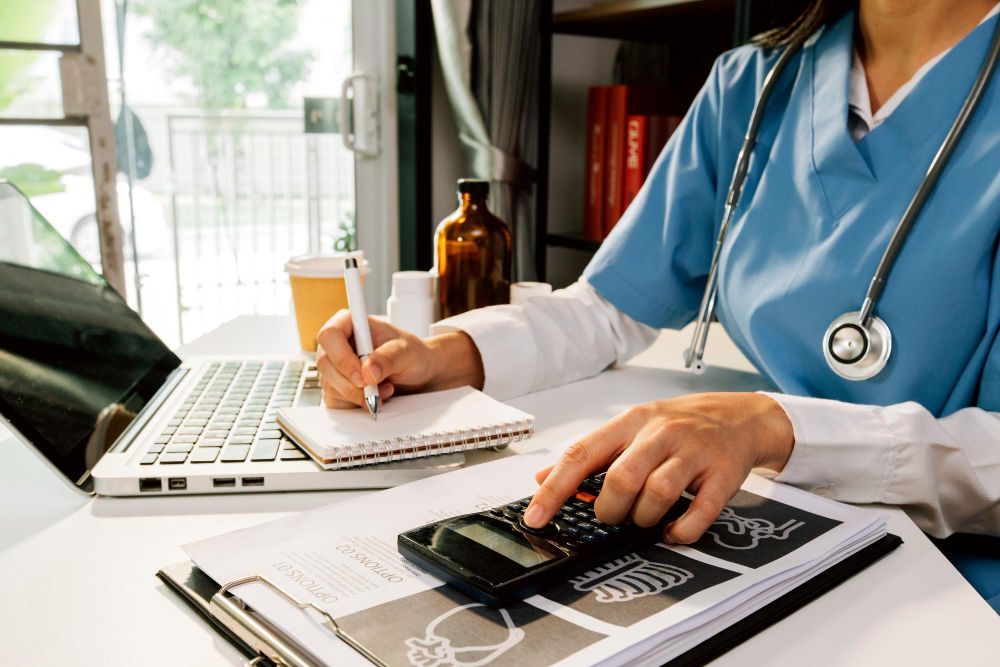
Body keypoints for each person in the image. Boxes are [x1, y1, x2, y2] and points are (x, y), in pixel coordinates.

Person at [317, 0, 1000, 611]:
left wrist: (774, 426)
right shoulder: (754, 82)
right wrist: (445, 353)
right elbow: (609, 307)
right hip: (752, 515)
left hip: (948, 573)